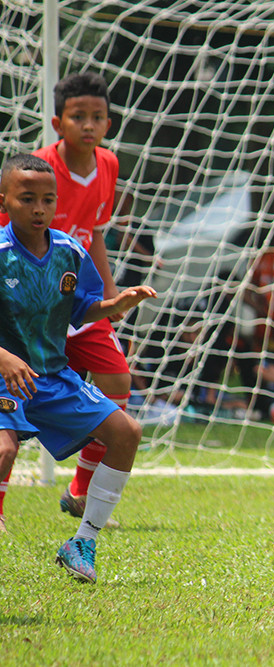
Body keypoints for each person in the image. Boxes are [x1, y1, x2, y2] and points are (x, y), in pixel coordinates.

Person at [0, 154, 156, 571]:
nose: (39, 208)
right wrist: (4, 357)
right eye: (27, 198)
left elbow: (80, 309)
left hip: (52, 377)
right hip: (3, 378)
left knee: (126, 433)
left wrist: (113, 305)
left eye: (48, 200)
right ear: (4, 201)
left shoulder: (69, 251)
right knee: (3, 451)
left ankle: (81, 543)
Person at [0, 73, 139, 524]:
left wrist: (112, 295)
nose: (88, 125)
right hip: (23, 305)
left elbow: (96, 234)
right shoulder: (35, 167)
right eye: (78, 117)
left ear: (109, 124)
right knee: (7, 441)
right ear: (59, 123)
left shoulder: (109, 166)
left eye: (97, 117)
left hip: (73, 291)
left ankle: (81, 491)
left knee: (118, 383)